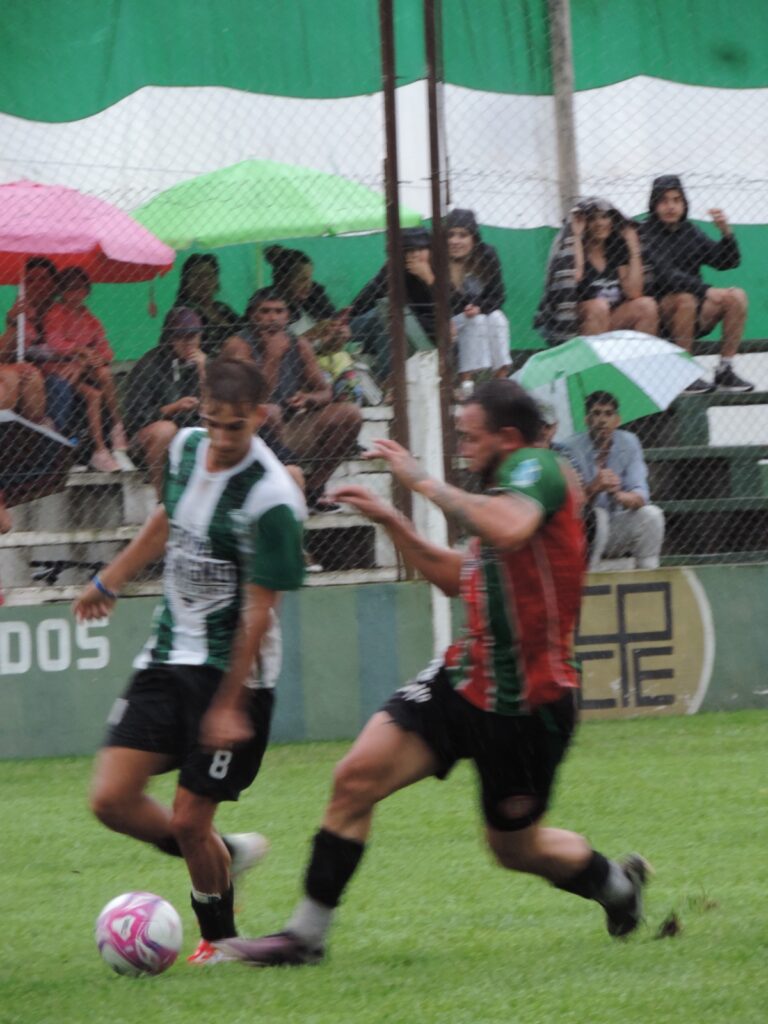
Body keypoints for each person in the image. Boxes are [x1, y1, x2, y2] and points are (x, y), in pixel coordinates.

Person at [211, 379, 650, 967]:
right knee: (355, 778)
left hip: (527, 705)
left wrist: (420, 480)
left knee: (514, 849)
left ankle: (617, 888)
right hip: (462, 680)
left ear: (509, 437)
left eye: (470, 437)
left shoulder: (540, 469)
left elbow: (508, 526)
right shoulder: (502, 493)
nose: (462, 448)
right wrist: (393, 520)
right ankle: (305, 937)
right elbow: (456, 577)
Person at [72, 357, 306, 965]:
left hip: (235, 674)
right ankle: (228, 851)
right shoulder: (183, 449)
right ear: (201, 409)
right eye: (214, 421)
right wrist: (110, 579)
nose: (223, 438)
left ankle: (220, 941)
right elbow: (166, 520)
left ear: (260, 416)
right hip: (168, 653)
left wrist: (230, 704)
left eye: (237, 426)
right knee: (111, 799)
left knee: (187, 819)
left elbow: (261, 611)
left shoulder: (273, 499)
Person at [222, 289, 362, 513]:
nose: (273, 318)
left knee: (350, 414)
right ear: (252, 315)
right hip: (249, 431)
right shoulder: (239, 346)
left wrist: (308, 399)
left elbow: (325, 392)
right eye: (265, 312)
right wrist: (273, 356)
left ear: (288, 316)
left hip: (291, 426)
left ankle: (314, 489)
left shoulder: (298, 344)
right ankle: (280, 492)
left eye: (279, 311)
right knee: (269, 411)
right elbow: (254, 399)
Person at [639, 175, 753, 394]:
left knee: (737, 296)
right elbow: (666, 276)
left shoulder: (690, 231)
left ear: (684, 204)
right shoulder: (644, 232)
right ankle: (684, 374)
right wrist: (707, 290)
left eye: (676, 200)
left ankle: (725, 369)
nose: (671, 206)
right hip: (660, 315)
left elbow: (726, 262)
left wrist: (726, 233)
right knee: (685, 299)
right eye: (664, 200)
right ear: (654, 204)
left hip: (694, 313)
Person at [561, 390, 664, 571]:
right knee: (598, 515)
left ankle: (649, 572)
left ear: (617, 420)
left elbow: (641, 496)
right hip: (584, 530)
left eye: (608, 414)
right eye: (596, 414)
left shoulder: (630, 442)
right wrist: (595, 486)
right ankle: (596, 571)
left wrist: (618, 494)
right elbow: (572, 505)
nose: (602, 420)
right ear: (587, 420)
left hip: (616, 524)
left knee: (652, 515)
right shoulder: (569, 448)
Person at [534, 198, 658, 346]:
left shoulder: (615, 251)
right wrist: (577, 237)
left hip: (613, 319)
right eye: (592, 219)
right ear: (585, 223)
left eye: (604, 217)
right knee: (598, 307)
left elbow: (634, 293)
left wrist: (633, 248)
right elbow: (576, 275)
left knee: (647, 305)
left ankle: (638, 359)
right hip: (584, 321)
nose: (599, 223)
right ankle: (594, 360)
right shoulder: (578, 251)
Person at [348, 227, 460, 387]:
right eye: (409, 250)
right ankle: (341, 332)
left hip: (429, 332)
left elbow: (453, 307)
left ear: (429, 250)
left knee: (388, 316)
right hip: (394, 328)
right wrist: (347, 318)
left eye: (420, 249)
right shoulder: (393, 270)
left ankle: (391, 382)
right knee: (382, 315)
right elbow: (365, 298)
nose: (415, 255)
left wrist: (428, 278)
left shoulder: (439, 268)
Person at [43, 267, 129, 472]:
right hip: (60, 369)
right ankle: (99, 449)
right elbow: (55, 342)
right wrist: (81, 350)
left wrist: (93, 357)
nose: (75, 293)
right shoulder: (56, 313)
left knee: (104, 374)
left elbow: (106, 350)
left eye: (79, 288)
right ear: (61, 291)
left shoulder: (89, 318)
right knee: (93, 394)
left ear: (87, 291)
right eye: (69, 288)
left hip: (83, 368)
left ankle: (117, 427)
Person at [124, 306, 207, 494]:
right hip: (147, 438)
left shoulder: (201, 363)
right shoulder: (149, 365)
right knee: (165, 429)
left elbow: (212, 410)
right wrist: (174, 407)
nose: (189, 343)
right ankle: (161, 498)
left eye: (193, 336)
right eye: (182, 337)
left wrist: (203, 371)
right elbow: (137, 417)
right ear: (170, 338)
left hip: (189, 432)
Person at [265, 245, 362, 403]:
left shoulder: (314, 299)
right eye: (302, 280)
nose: (308, 285)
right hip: (294, 369)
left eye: (310, 279)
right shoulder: (272, 307)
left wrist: (336, 337)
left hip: (321, 359)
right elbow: (278, 352)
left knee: (342, 358)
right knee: (326, 377)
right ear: (284, 280)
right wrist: (312, 334)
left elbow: (326, 348)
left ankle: (347, 401)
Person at [0, 257, 75, 433]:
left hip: (60, 371)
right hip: (26, 370)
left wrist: (79, 362)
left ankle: (52, 440)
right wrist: (13, 324)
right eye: (31, 280)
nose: (37, 284)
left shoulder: (66, 312)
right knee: (26, 377)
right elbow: (2, 354)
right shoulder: (20, 312)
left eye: (43, 279)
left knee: (58, 384)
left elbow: (85, 345)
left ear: (54, 284)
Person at [446, 208, 511, 391]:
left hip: (477, 313)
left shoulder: (487, 255)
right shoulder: (439, 260)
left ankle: (500, 380)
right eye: (450, 235)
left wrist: (479, 307)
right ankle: (466, 383)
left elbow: (498, 295)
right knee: (476, 320)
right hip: (448, 320)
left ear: (473, 237)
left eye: (462, 235)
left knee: (498, 318)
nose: (455, 241)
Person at [174, 253, 241, 356]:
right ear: (185, 281)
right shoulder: (183, 312)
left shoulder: (222, 308)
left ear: (216, 280)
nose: (204, 282)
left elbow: (244, 328)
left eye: (209, 276)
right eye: (197, 276)